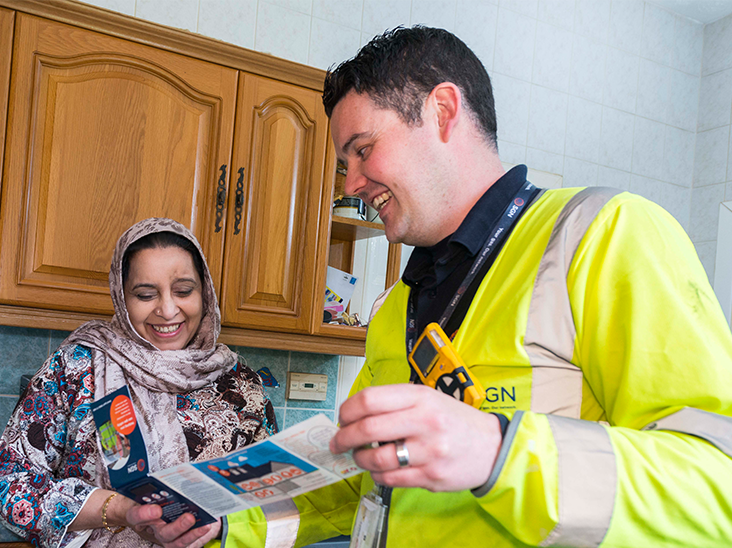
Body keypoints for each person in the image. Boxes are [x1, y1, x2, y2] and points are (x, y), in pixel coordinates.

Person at [219, 26, 732, 547]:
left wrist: (498, 452)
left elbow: (718, 488)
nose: (350, 184)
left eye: (364, 149)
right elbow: (355, 479)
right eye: (344, 165)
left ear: (442, 110)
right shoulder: (397, 308)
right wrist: (222, 527)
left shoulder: (604, 233)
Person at [0, 218, 278, 548]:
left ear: (205, 292)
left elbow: (275, 499)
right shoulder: (75, 369)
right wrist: (119, 509)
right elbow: (5, 483)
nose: (168, 310)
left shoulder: (240, 384)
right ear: (122, 298)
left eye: (183, 291)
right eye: (145, 294)